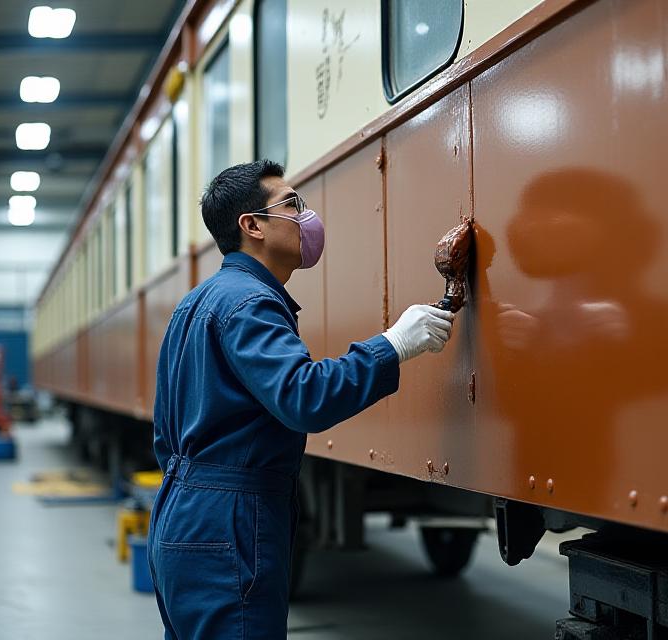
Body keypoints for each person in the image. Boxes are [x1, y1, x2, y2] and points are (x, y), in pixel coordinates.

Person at [148, 159, 454, 639]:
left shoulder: (197, 302)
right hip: (229, 523)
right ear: (252, 226)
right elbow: (303, 397)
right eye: (292, 205)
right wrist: (394, 345)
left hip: (180, 515)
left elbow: (165, 433)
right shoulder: (250, 302)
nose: (307, 217)